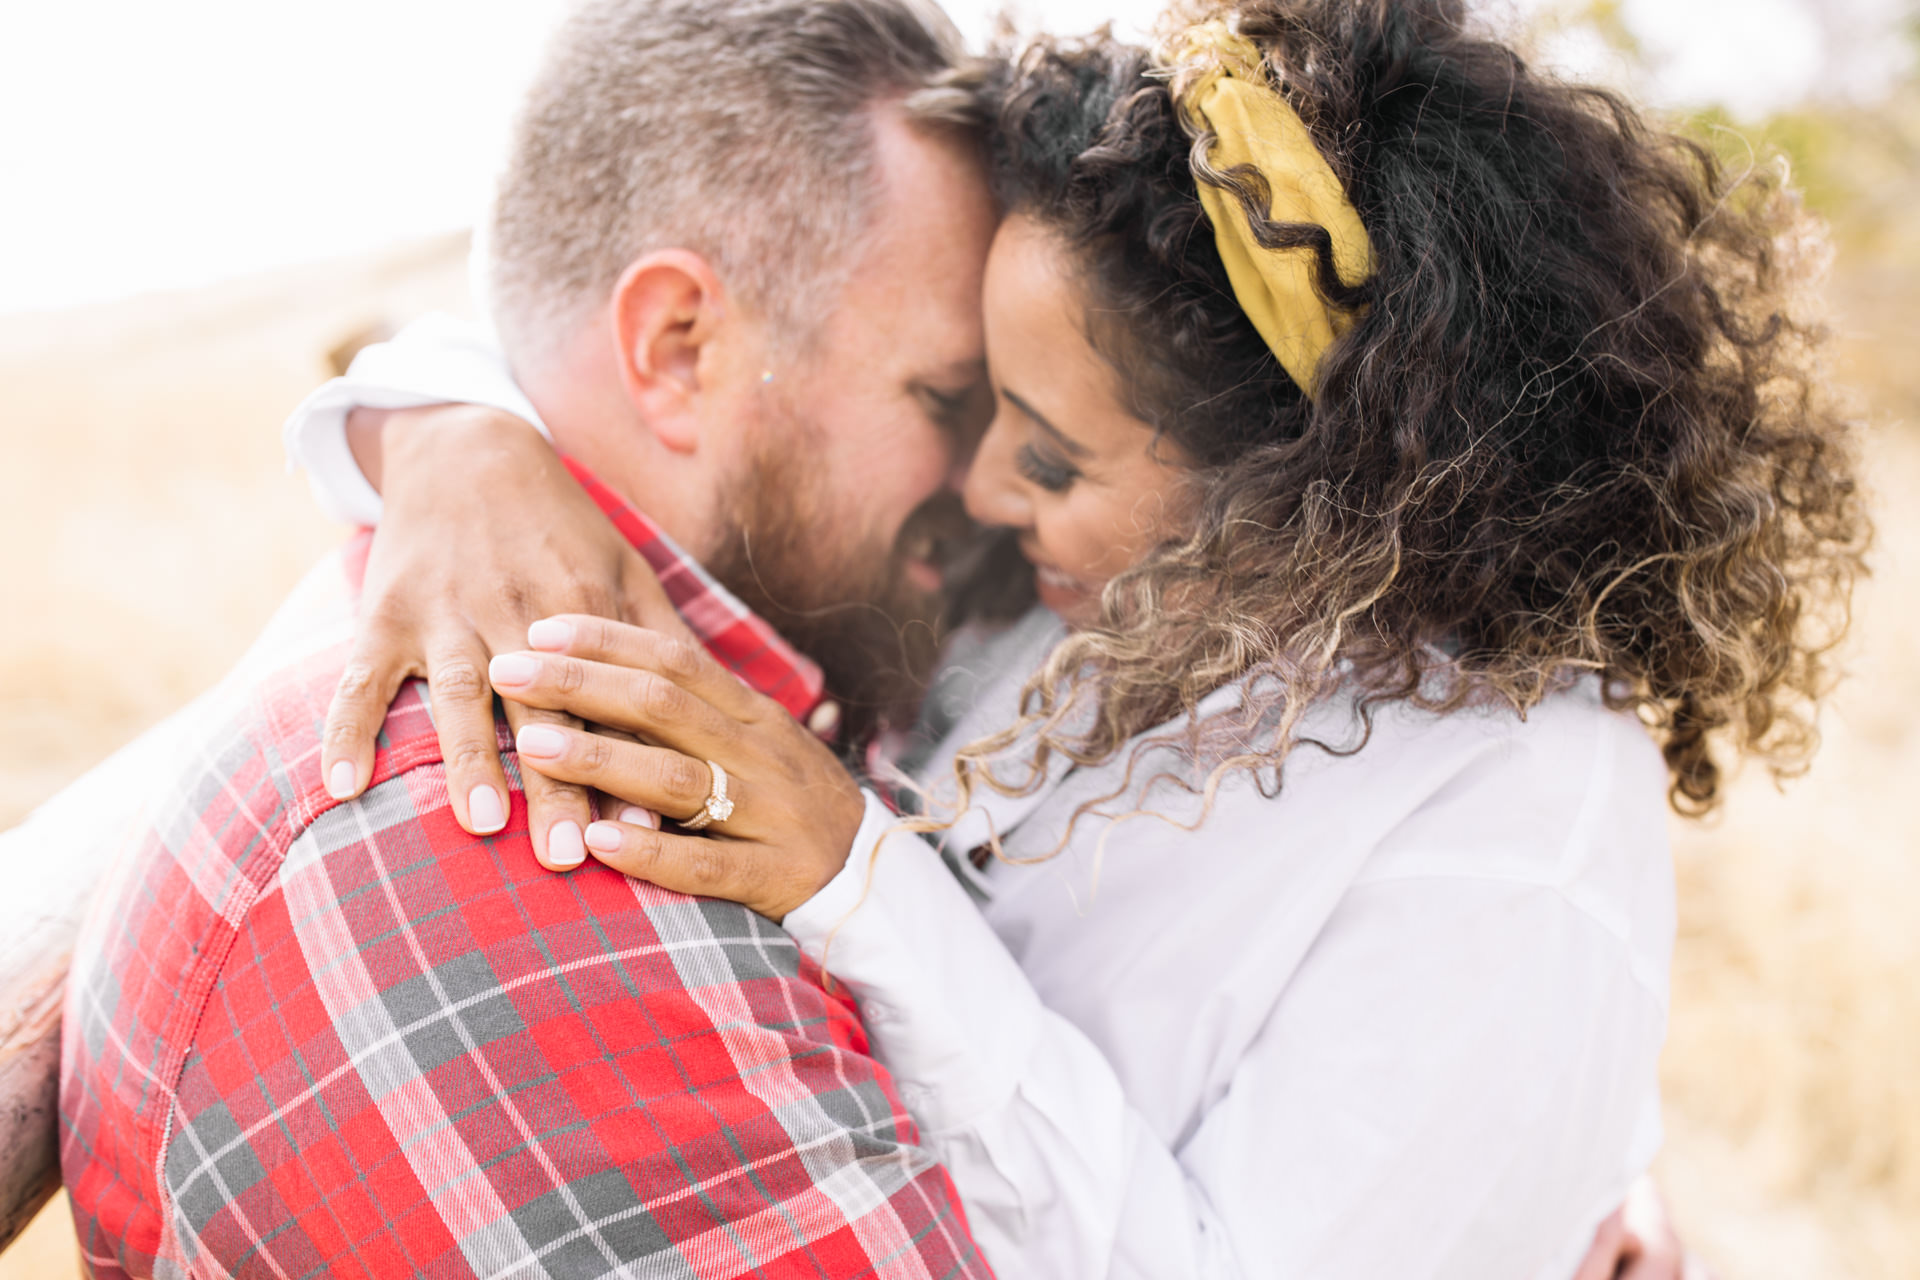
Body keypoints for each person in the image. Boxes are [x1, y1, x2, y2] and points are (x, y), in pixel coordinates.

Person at [296, 1, 1862, 1276]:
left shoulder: (1512, 822)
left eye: (1045, 454)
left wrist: (861, 880)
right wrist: (452, 434)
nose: (977, 490)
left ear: (1312, 503)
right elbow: (573, 337)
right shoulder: (1081, 592)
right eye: (978, 409)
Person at [55, 0, 1005, 1276]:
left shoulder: (683, 669)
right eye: (947, 398)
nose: (993, 480)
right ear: (676, 349)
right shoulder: (527, 838)